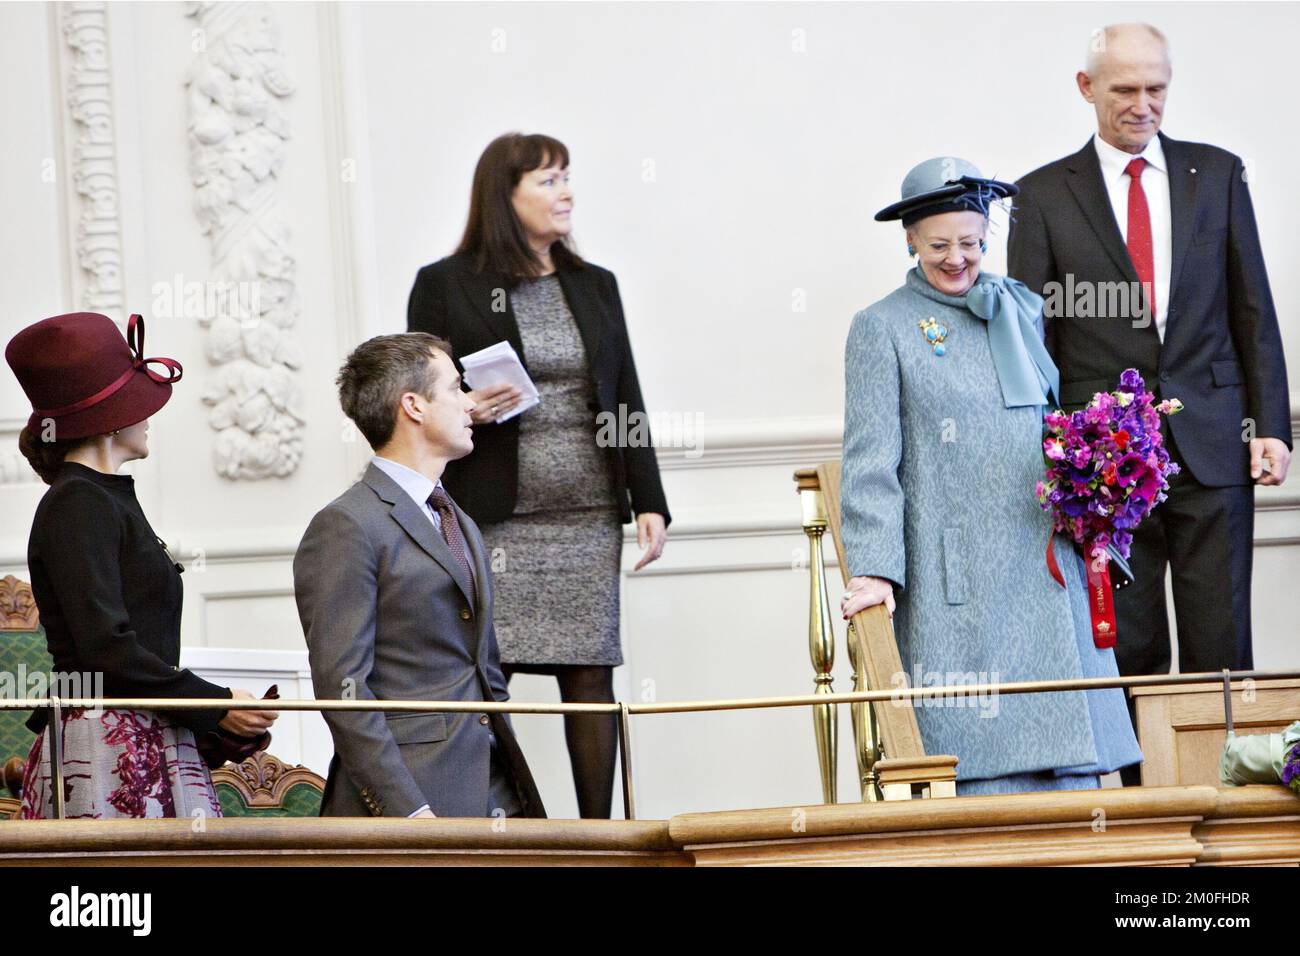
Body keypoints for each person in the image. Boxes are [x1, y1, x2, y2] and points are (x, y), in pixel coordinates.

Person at [1007, 24, 1291, 785]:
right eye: (1126, 89)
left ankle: (1229, 802)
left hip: (1214, 444)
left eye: (1156, 87)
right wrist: (1049, 450)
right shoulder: (1038, 195)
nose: (1144, 104)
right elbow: (1030, 341)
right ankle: (1144, 815)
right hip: (1103, 469)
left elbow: (1251, 308)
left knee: (1221, 641)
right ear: (1086, 87)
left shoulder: (1219, 174)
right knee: (1127, 646)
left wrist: (1271, 426)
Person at [840, 158, 1142, 795]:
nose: (958, 259)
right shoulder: (881, 327)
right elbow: (871, 464)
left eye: (972, 244)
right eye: (941, 245)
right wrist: (873, 568)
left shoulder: (1019, 307)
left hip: (1044, 559)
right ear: (911, 240)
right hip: (962, 579)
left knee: (1073, 776)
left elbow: (1047, 420)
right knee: (988, 771)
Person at [406, 132, 670, 818]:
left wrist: (650, 499)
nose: (566, 193)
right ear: (506, 195)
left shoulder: (594, 285)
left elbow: (625, 395)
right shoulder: (444, 285)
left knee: (591, 672)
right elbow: (415, 397)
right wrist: (463, 404)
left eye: (567, 177)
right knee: (487, 675)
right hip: (491, 516)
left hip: (585, 513)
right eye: (548, 181)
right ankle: (508, 827)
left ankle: (598, 837)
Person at [4, 311, 277, 818]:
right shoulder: (78, 502)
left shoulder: (102, 497)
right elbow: (105, 647)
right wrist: (214, 703)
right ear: (109, 419)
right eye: (137, 403)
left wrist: (210, 717)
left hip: (136, 732)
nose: (148, 415)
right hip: (106, 744)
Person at [294, 332, 544, 818]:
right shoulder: (345, 525)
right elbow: (343, 688)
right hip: (413, 801)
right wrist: (405, 809)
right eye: (455, 389)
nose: (469, 405)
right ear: (414, 405)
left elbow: (484, 669)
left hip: (499, 793)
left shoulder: (458, 518)